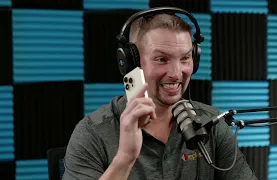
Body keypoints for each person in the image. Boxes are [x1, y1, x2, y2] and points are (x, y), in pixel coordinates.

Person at [62, 7, 258, 180]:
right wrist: (124, 158)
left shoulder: (211, 125)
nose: (176, 73)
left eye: (185, 58)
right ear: (132, 63)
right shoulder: (92, 133)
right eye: (162, 59)